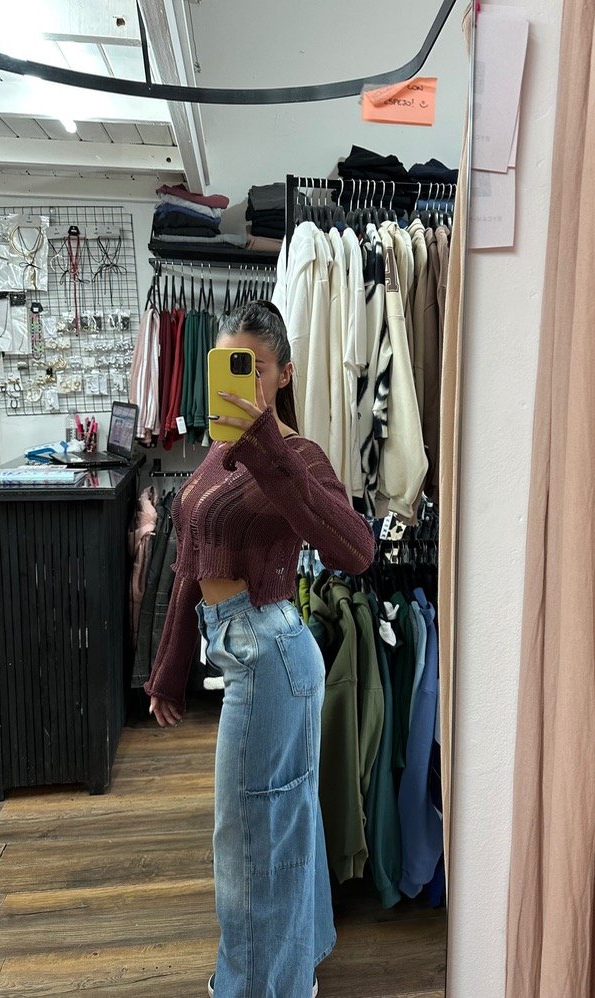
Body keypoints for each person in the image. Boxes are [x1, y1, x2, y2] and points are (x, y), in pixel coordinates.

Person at [145, 301, 375, 998]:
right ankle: (297, 968)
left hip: (271, 656)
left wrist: (267, 445)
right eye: (227, 364)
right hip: (243, 650)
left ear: (283, 375)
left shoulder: (296, 457)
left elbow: (356, 550)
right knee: (280, 823)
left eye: (255, 367)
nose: (240, 381)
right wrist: (168, 670)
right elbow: (190, 561)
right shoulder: (218, 454)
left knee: (248, 839)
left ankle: (253, 988)